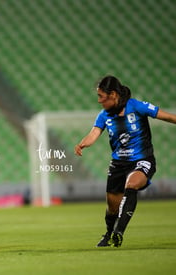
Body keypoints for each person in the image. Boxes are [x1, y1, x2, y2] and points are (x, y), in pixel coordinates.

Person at [74, 75, 176, 247]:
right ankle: (108, 233)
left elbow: (167, 116)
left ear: (113, 94)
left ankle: (118, 232)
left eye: (101, 97)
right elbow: (94, 134)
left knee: (132, 184)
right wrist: (83, 144)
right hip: (118, 164)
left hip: (142, 159)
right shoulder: (103, 115)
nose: (99, 101)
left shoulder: (136, 106)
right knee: (112, 208)